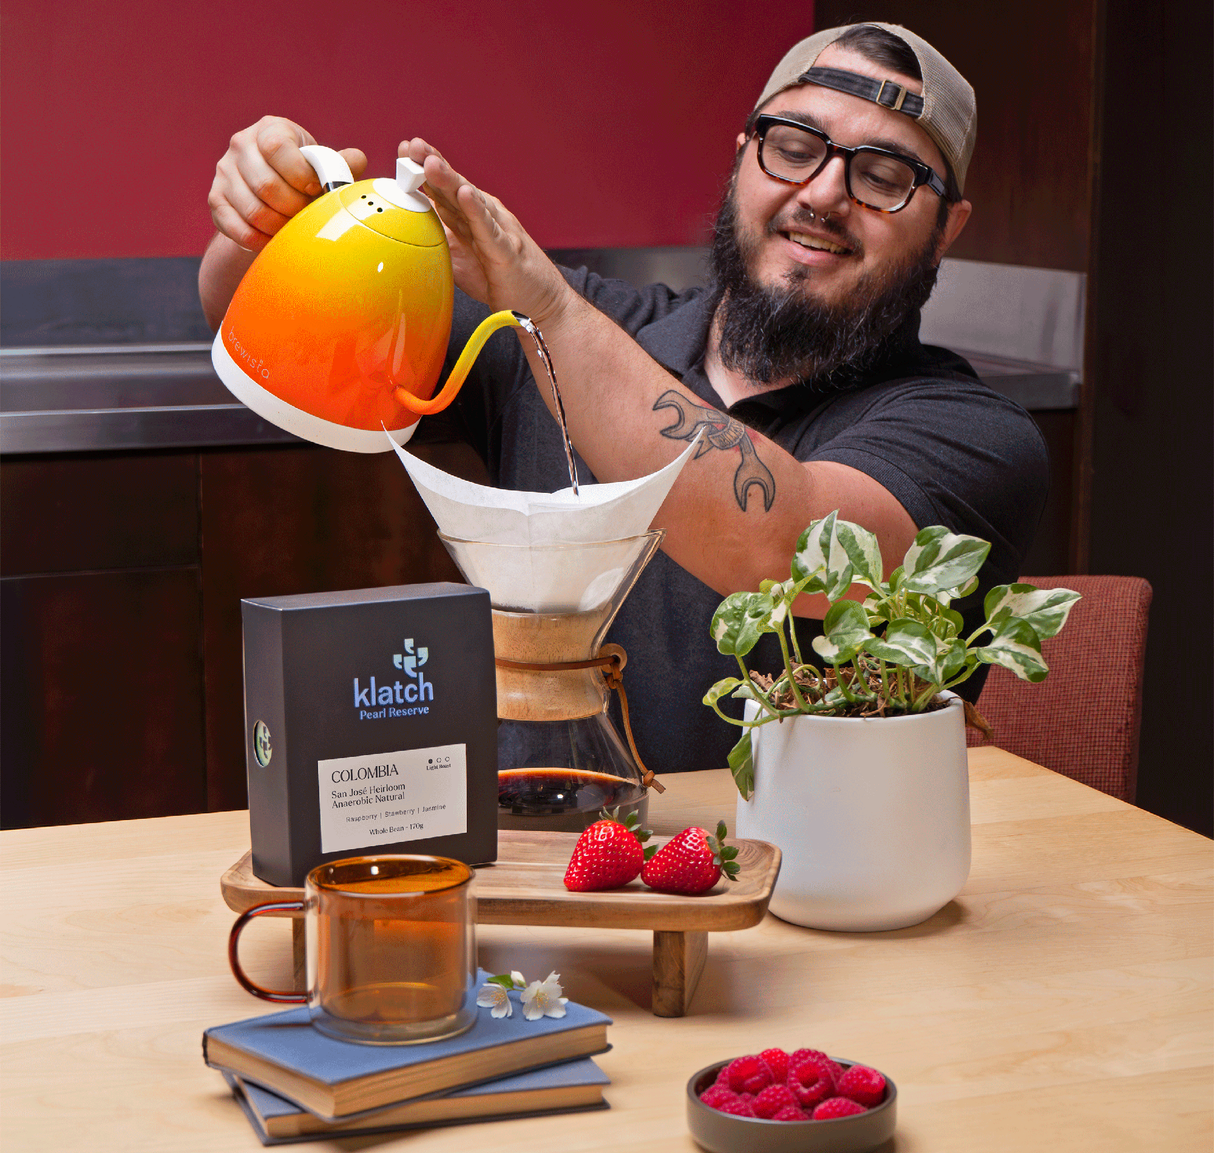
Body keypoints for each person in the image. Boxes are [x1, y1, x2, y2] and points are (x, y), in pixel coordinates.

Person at [200, 22, 1049, 777]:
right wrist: (267, 212)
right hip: (538, 868)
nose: (824, 193)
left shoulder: (972, 433)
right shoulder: (556, 334)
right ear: (743, 158)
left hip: (815, 885)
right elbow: (249, 311)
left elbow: (789, 550)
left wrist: (552, 308)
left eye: (885, 175)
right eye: (794, 147)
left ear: (948, 227)